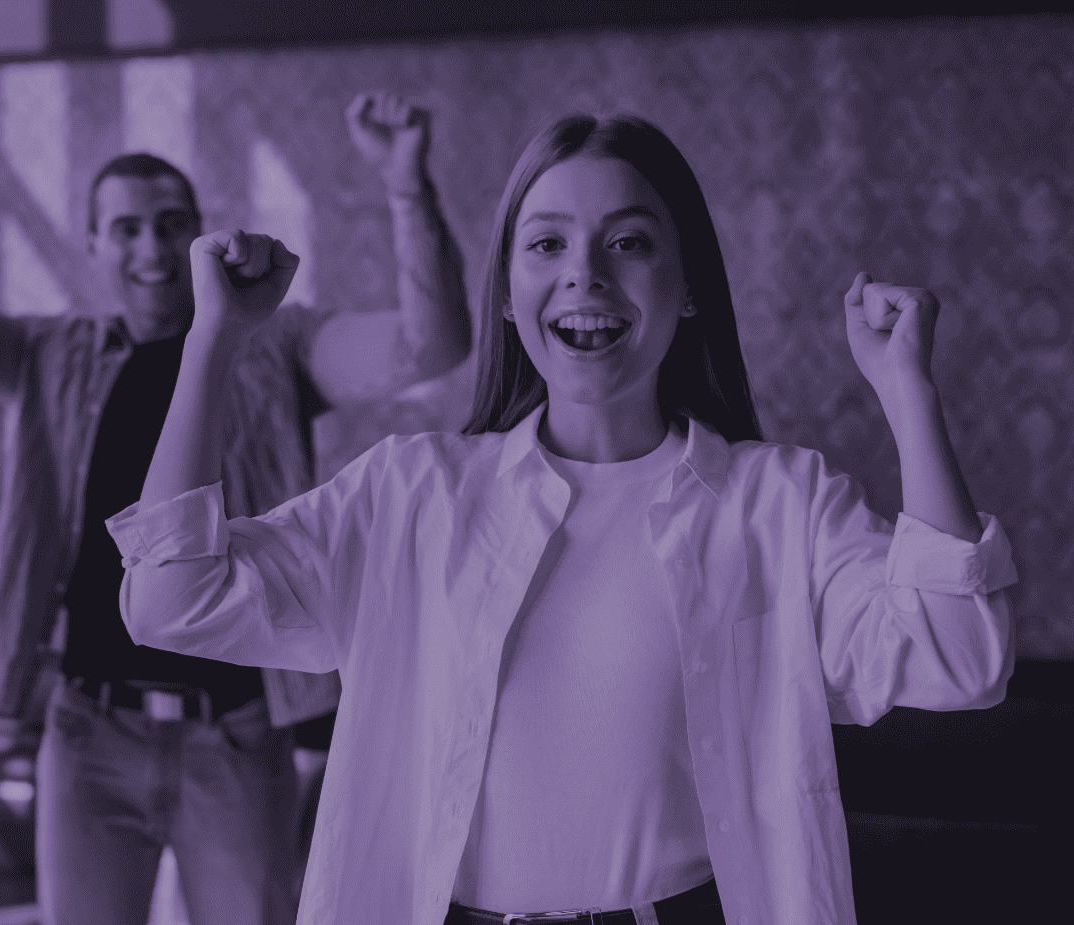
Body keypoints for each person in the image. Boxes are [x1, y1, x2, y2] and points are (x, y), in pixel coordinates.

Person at [110, 114, 1017, 925]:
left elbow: (961, 657)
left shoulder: (781, 502)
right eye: (546, 245)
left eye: (628, 242)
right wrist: (213, 341)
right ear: (507, 294)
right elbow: (169, 599)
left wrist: (908, 393)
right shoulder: (409, 494)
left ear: (689, 285)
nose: (584, 272)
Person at [0, 40, 472, 925]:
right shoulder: (49, 356)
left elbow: (430, 347)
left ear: (197, 237)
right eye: (126, 225)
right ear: (91, 242)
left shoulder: (277, 345)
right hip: (88, 734)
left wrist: (405, 185)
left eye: (170, 222)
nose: (151, 246)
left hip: (232, 737)